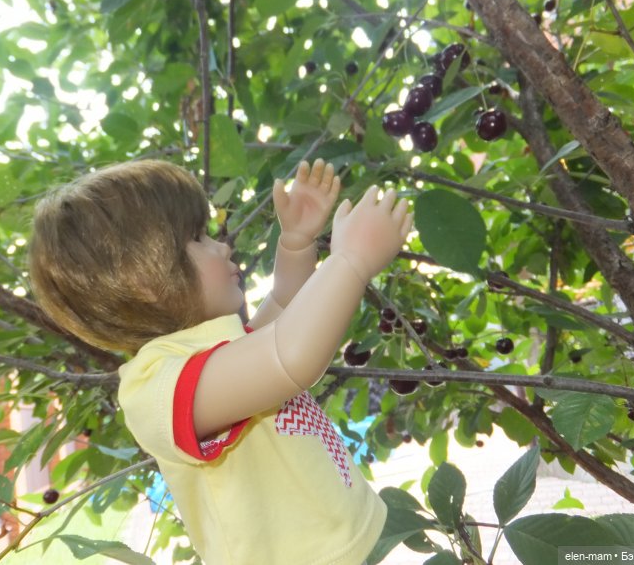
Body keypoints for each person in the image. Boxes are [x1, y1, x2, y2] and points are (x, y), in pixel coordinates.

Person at [28, 157, 413, 565]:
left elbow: (285, 305)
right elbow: (290, 358)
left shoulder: (213, 348)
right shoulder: (156, 387)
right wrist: (350, 261)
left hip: (342, 540)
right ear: (144, 283)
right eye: (198, 238)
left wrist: (297, 242)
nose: (222, 245)